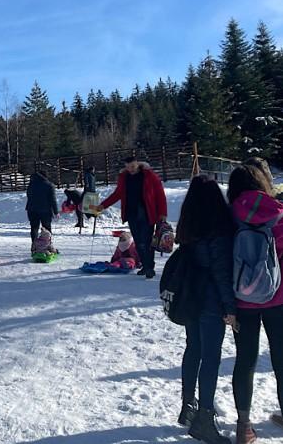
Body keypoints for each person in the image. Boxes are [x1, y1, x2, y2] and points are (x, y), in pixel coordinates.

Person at [174, 175, 236, 444]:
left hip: (191, 296)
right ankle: (204, 418)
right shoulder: (219, 229)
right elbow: (221, 272)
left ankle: (188, 406)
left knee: (193, 349)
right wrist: (230, 307)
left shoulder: (188, 225)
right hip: (211, 300)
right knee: (211, 357)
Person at [227, 163, 283, 444]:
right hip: (279, 299)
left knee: (246, 360)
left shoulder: (228, 217)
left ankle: (243, 426)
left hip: (242, 301)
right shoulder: (279, 212)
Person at [96, 157, 167, 280]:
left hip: (147, 213)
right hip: (132, 214)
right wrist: (103, 205)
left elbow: (160, 194)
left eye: (132, 167)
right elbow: (117, 194)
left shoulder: (149, 175)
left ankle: (150, 267)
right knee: (138, 242)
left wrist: (162, 213)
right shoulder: (124, 177)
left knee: (147, 241)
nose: (130, 170)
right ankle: (145, 265)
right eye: (128, 167)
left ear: (137, 164)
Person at [25, 171, 58, 245]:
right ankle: (47, 245)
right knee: (46, 229)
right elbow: (53, 199)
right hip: (45, 210)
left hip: (32, 209)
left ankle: (34, 246)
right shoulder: (49, 185)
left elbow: (28, 195)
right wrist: (56, 212)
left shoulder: (31, 184)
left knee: (34, 228)